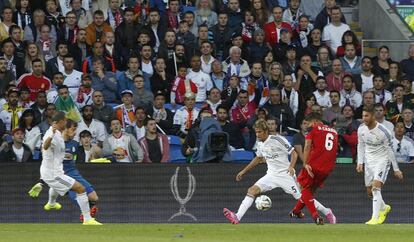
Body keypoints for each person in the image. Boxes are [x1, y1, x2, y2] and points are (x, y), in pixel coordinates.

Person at [223, 119, 333, 224]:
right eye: (256, 132)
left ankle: (327, 211)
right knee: (252, 190)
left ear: (266, 131)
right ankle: (237, 216)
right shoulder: (260, 143)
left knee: (303, 198)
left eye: (259, 132)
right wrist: (243, 171)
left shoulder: (277, 140)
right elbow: (258, 158)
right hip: (271, 175)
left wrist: (291, 167)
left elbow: (294, 153)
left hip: (285, 175)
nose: (257, 134)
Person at [38, 111, 102, 225]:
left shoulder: (60, 134)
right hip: (53, 173)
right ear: (61, 121)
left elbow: (54, 154)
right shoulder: (51, 133)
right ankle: (87, 219)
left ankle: (52, 203)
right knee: (80, 189)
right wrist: (51, 134)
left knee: (63, 187)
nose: (66, 121)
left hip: (56, 172)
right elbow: (45, 146)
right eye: (65, 120)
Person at [356, 106, 403, 225]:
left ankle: (375, 218)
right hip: (369, 161)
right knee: (369, 192)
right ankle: (384, 207)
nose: (364, 118)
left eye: (366, 116)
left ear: (373, 116)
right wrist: (360, 162)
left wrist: (396, 169)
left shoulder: (383, 131)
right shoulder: (361, 129)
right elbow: (360, 145)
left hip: (382, 160)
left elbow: (390, 150)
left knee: (376, 187)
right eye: (363, 116)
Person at [290, 112, 338, 225]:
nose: (307, 125)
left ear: (314, 121)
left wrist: (305, 163)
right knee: (310, 191)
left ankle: (315, 216)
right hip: (327, 167)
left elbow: (307, 146)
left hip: (314, 164)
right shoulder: (334, 131)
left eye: (308, 123)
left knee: (304, 188)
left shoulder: (313, 128)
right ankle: (296, 211)